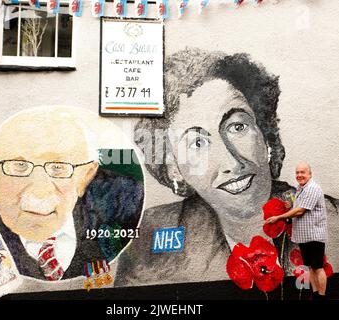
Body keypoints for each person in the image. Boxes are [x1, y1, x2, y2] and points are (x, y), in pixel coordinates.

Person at [114, 48, 338, 293]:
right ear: (174, 168)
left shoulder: (331, 221)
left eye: (237, 127)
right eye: (197, 143)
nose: (232, 162)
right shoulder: (150, 233)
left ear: (265, 135)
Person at [0, 106, 144, 281]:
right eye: (19, 165)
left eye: (58, 167)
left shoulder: (126, 199)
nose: (39, 190)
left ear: (85, 176)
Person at [266, 163, 328, 299]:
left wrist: (278, 217)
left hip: (314, 235)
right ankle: (315, 294)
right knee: (310, 267)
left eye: (303, 172)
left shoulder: (312, 188)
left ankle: (322, 296)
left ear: (310, 174)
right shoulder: (301, 189)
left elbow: (300, 211)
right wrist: (290, 206)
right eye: (297, 172)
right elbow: (298, 207)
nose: (299, 175)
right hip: (304, 236)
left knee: (318, 267)